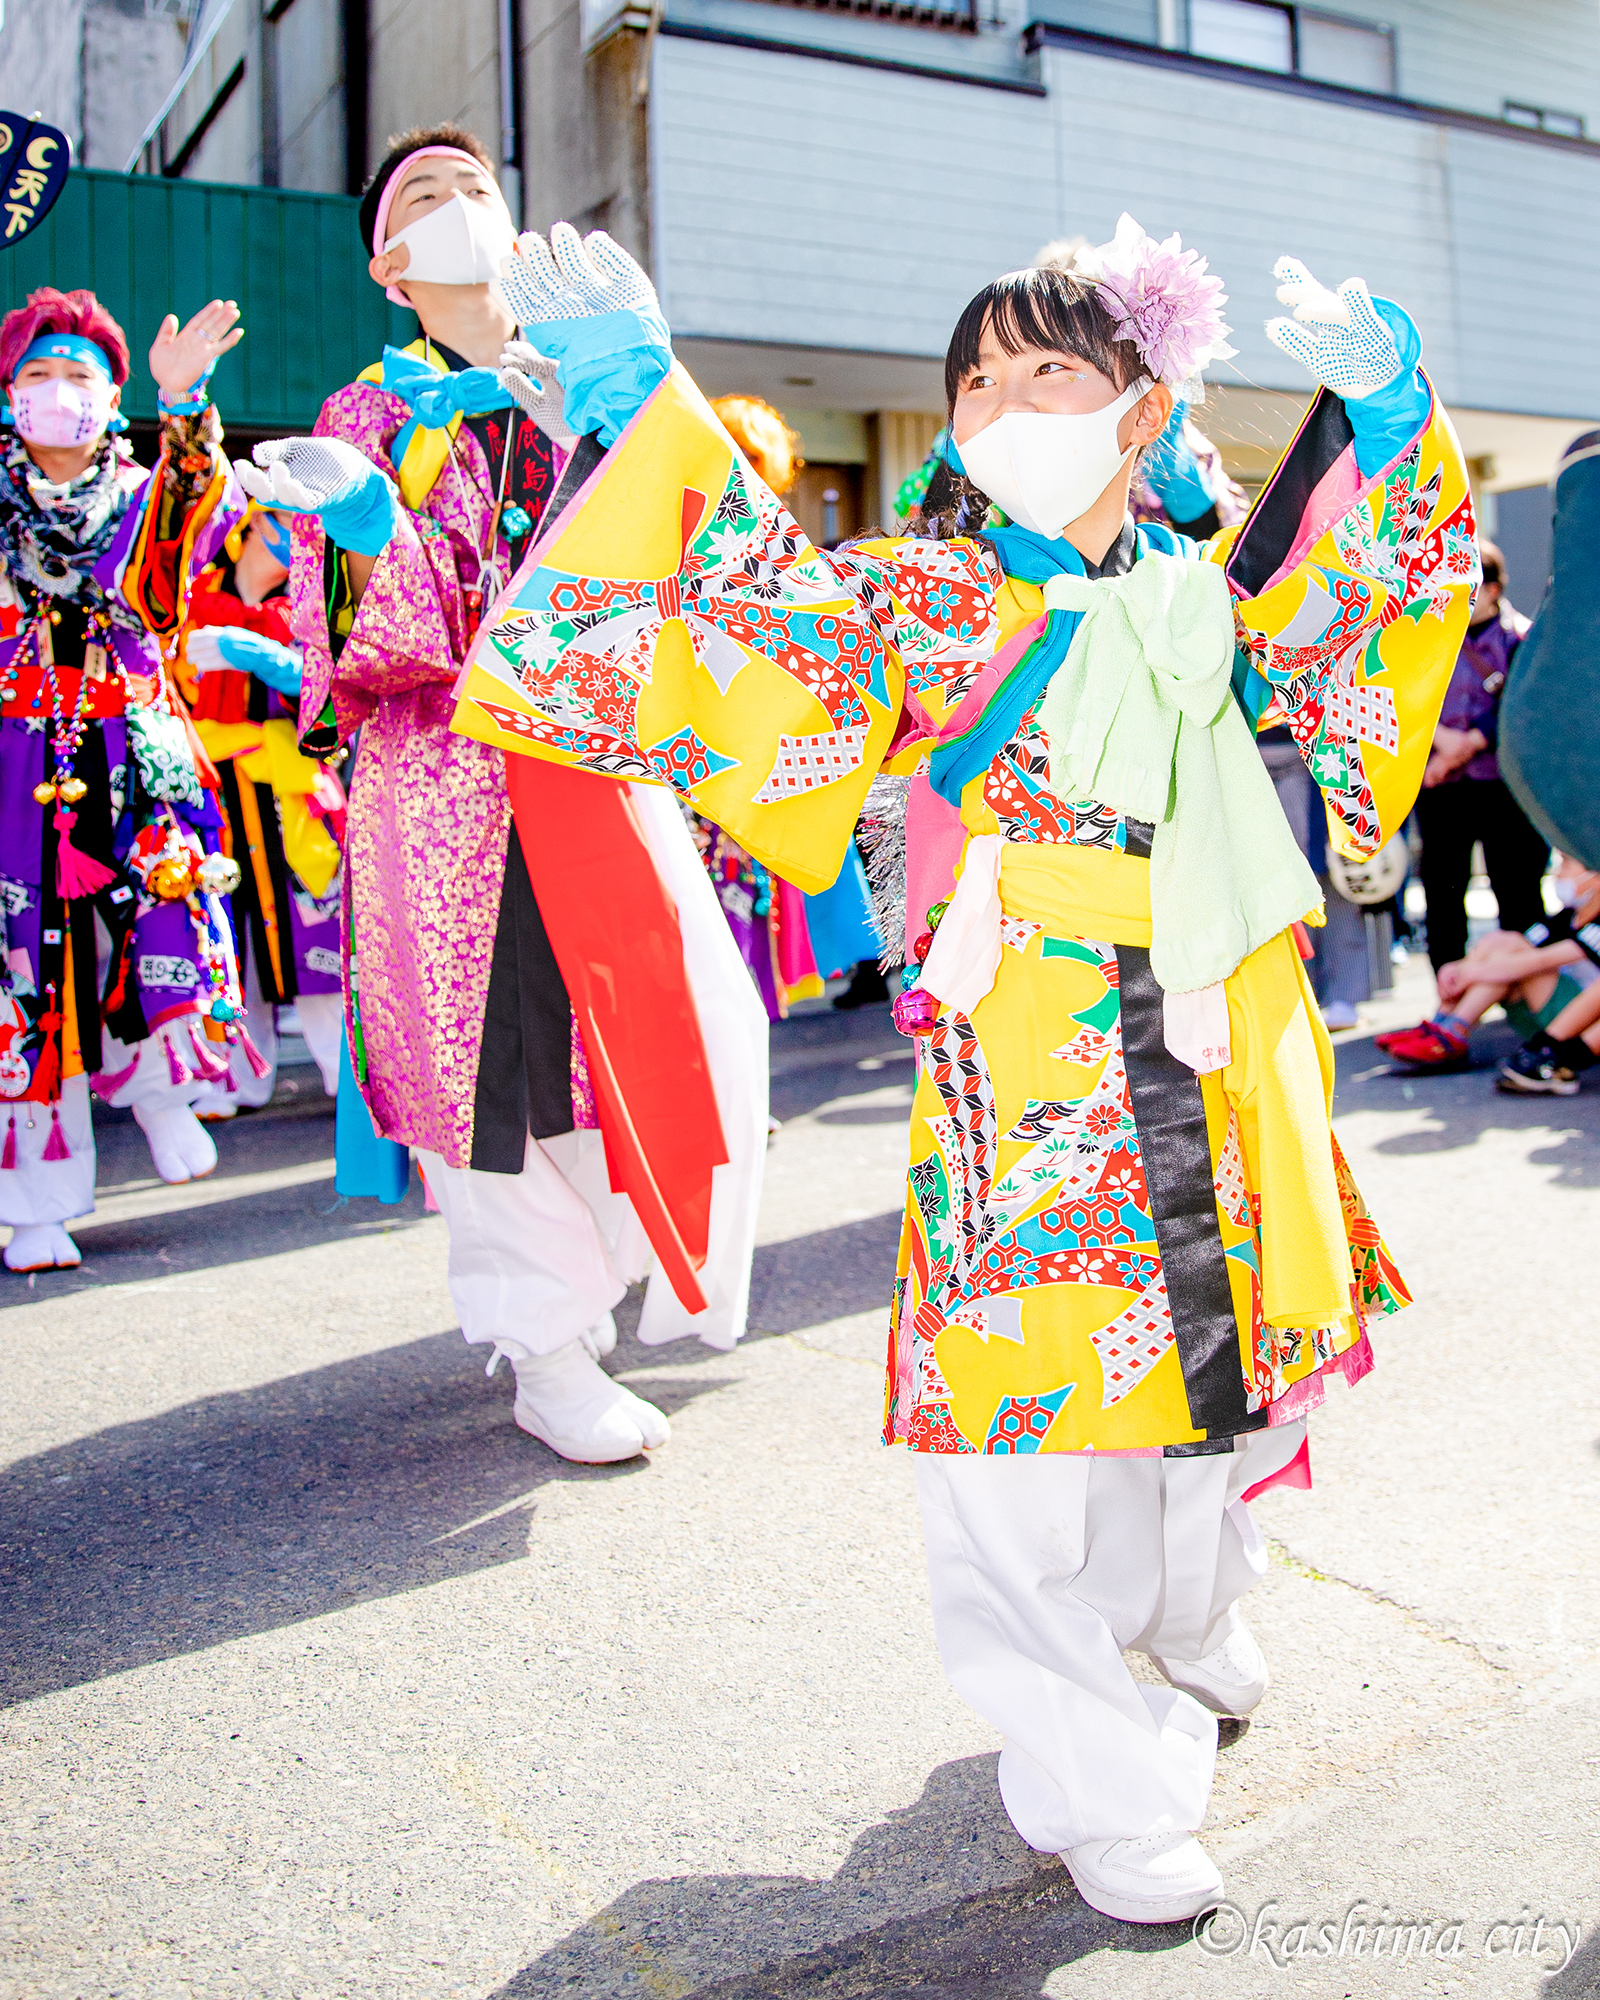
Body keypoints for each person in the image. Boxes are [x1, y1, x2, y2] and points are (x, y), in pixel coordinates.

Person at [448, 215, 1474, 1920]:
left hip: (1227, 1030)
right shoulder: (925, 596)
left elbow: (1378, 613)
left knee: (1222, 1391)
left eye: (1045, 370)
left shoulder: (1205, 595)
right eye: (973, 381)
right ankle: (1091, 1770)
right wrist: (646, 402)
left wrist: (1389, 420)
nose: (1002, 403)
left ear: (1141, 411)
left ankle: (1188, 1619)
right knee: (1025, 1431)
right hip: (1033, 1043)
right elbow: (746, 599)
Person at [236, 124, 768, 1465]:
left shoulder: (589, 375)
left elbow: (698, 563)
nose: (460, 204)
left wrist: (636, 416)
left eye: (476, 186)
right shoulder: (372, 414)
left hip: (599, 772)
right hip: (451, 788)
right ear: (388, 266)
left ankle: (606, 1290)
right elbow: (348, 631)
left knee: (630, 1033)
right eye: (426, 196)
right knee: (485, 1063)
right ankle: (539, 1340)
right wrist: (374, 539)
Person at [0, 286, 252, 1268]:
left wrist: (183, 403)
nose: (58, 393)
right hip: (18, 758)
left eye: (79, 376)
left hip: (131, 747)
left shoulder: (148, 489)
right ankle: (35, 1204)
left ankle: (162, 1092)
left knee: (155, 914)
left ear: (113, 399)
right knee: (26, 963)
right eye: (36, 375)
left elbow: (192, 514)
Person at [165, 503, 345, 1111]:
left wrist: (271, 661)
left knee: (315, 932)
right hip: (214, 788)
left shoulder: (310, 609)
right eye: (286, 529)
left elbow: (335, 685)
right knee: (228, 934)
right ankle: (238, 1075)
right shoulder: (193, 603)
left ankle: (345, 1080)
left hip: (289, 787)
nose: (298, 544)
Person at [1384, 538, 1548, 1063]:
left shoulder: (1523, 639)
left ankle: (1531, 1007)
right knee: (1443, 897)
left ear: (1494, 589)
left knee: (1519, 893)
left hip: (1505, 789)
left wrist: (1464, 744)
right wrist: (1437, 748)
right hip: (1443, 790)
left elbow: (1525, 710)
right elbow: (1400, 697)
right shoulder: (1425, 636)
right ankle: (1449, 1008)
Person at [1383, 852, 1600, 1090]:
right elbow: (1512, 946)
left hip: (1579, 1025)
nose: (1558, 874)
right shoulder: (1567, 917)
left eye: (1567, 865)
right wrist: (1460, 968)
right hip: (1551, 1015)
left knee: (1515, 958)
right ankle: (1443, 1023)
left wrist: (1471, 972)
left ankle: (1452, 1031)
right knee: (1502, 942)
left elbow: (1539, 961)